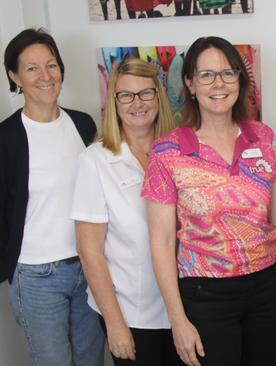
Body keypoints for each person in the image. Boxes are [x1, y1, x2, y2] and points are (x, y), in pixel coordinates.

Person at [142, 36, 276, 366]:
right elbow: (160, 242)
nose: (219, 83)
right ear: (189, 84)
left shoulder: (263, 136)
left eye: (228, 73)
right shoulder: (167, 152)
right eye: (206, 75)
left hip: (268, 288)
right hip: (205, 295)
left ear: (239, 80)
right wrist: (177, 319)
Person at [0, 28, 104, 365]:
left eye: (51, 65)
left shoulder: (83, 123)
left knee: (91, 361)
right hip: (36, 277)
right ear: (14, 76)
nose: (45, 76)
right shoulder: (6, 137)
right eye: (32, 69)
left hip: (89, 269)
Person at [71, 57, 179, 365]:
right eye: (126, 95)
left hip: (183, 307)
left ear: (159, 97)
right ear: (114, 102)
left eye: (146, 93)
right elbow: (89, 251)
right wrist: (115, 323)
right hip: (132, 312)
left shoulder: (180, 152)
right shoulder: (96, 160)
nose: (137, 103)